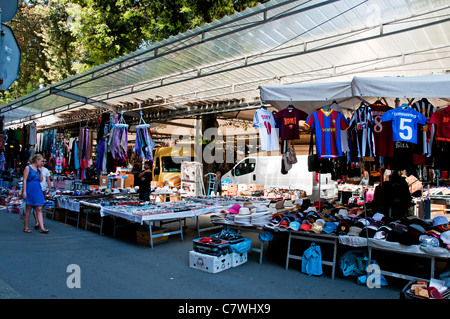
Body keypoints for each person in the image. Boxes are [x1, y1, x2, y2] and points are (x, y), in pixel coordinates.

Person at [22, 154, 49, 234]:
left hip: (37, 189)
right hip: (30, 189)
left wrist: (40, 172)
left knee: (39, 208)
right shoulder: (28, 168)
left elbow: (41, 180)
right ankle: (26, 227)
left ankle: (42, 227)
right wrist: (24, 192)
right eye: (41, 161)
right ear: (37, 160)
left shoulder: (39, 169)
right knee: (28, 208)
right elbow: (24, 180)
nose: (42, 163)